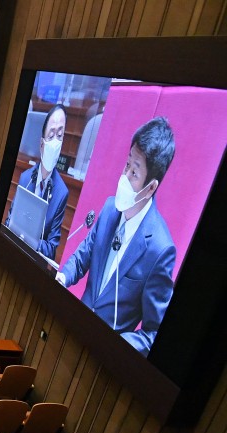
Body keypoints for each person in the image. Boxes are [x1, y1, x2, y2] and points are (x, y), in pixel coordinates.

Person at [55, 117, 176, 355]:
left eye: (134, 172)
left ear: (151, 187)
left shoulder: (160, 250)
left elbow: (153, 333)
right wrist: (62, 277)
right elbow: (83, 257)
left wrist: (116, 346)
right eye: (126, 165)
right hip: (73, 329)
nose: (125, 176)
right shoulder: (110, 209)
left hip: (105, 358)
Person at [9, 104, 70, 261]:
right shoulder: (25, 178)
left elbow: (51, 249)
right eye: (51, 135)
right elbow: (10, 220)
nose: (55, 142)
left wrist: (31, 241)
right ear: (42, 144)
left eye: (60, 135)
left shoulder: (61, 193)